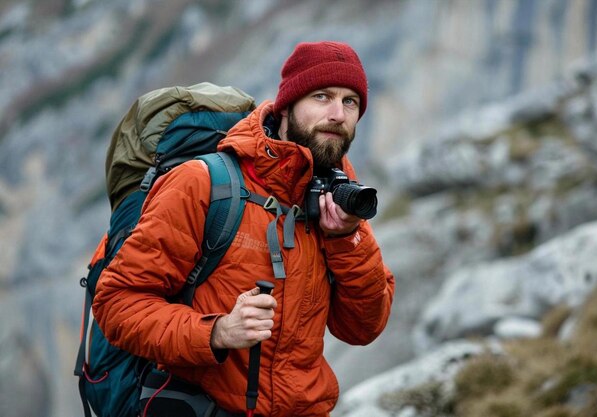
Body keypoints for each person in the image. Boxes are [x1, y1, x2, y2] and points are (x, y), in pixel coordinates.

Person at [92, 40, 395, 417]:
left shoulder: (337, 200)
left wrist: (345, 238)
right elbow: (118, 304)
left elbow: (363, 328)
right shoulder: (202, 183)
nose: (338, 113)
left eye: (351, 102)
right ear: (286, 105)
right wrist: (216, 332)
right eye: (322, 96)